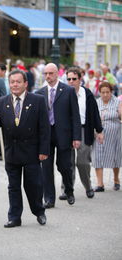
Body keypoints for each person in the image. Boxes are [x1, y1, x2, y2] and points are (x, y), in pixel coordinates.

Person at [0, 69, 50, 228]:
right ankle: (14, 217)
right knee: (13, 186)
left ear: (25, 83)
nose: (14, 85)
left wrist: (44, 150)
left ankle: (39, 212)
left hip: (32, 152)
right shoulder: (1, 102)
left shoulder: (38, 100)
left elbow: (45, 128)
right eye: (12, 82)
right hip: (11, 151)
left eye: (18, 82)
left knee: (33, 185)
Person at [36, 63, 81, 208]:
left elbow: (75, 115)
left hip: (63, 134)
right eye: (46, 74)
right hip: (46, 136)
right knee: (46, 168)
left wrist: (76, 137)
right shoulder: (39, 93)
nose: (48, 76)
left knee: (64, 166)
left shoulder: (67, 90)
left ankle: (69, 190)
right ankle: (49, 198)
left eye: (51, 73)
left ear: (57, 74)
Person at [58, 67, 103, 200]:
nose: (71, 81)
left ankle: (88, 186)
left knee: (82, 161)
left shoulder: (87, 94)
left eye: (74, 79)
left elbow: (94, 114)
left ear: (80, 79)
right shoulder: (63, 93)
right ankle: (66, 189)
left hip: (84, 130)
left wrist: (99, 130)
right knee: (67, 162)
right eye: (69, 79)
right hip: (68, 131)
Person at [92, 82, 122, 191]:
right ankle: (100, 184)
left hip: (114, 135)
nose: (105, 95)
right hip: (99, 134)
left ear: (111, 92)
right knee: (97, 157)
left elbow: (120, 115)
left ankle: (116, 180)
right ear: (99, 93)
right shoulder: (96, 102)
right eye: (103, 92)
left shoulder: (117, 101)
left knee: (115, 157)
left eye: (107, 92)